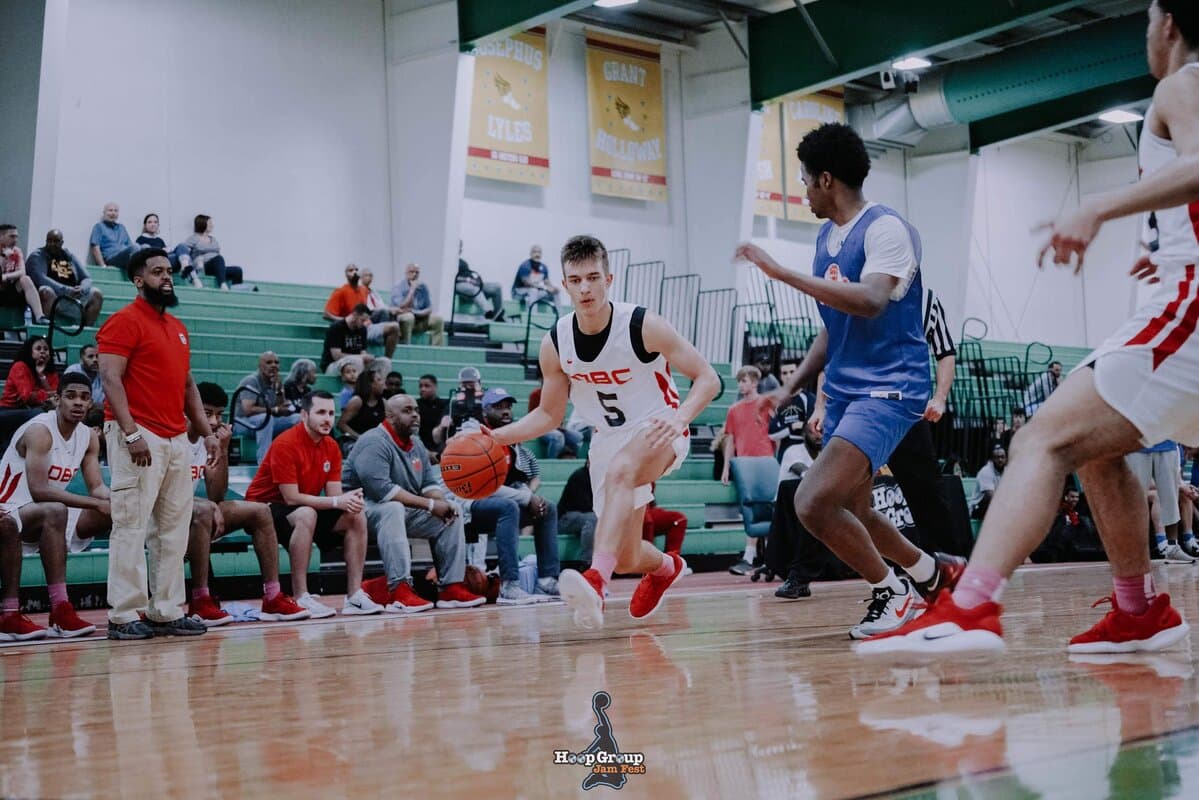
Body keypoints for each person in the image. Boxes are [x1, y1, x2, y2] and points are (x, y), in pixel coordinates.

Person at [859, 1, 1199, 660]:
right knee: (1091, 447)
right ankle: (1139, 611)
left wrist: (1098, 204)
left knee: (1042, 437)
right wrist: (1161, 245)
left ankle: (971, 605)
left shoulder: (1180, 82)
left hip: (1186, 313)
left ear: (1167, 26)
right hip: (1174, 301)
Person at [736, 121, 963, 640]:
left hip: (889, 387)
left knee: (811, 501)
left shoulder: (886, 230)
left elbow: (871, 300)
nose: (802, 190)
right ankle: (934, 575)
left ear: (826, 180)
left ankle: (893, 593)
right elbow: (833, 326)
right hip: (846, 388)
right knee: (853, 507)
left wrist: (782, 273)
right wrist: (790, 388)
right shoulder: (825, 235)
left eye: (804, 180)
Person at [485, 235, 721, 629]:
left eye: (593, 277)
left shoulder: (642, 324)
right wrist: (495, 438)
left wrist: (680, 418)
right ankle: (665, 567)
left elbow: (708, 379)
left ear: (609, 279)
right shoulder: (556, 342)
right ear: (564, 285)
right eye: (575, 280)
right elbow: (548, 415)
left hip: (659, 425)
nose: (585, 287)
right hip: (607, 440)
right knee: (627, 555)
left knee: (623, 470)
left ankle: (595, 582)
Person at [98, 247, 217, 639]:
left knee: (173, 527)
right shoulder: (123, 322)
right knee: (130, 524)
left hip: (175, 436)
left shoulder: (178, 328)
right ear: (138, 280)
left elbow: (187, 385)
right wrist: (131, 433)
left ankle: (165, 610)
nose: (166, 277)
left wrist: (208, 432)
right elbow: (111, 379)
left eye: (169, 271)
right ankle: (123, 615)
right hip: (138, 432)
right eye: (156, 272)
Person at [243, 390, 382, 618]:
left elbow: (334, 495)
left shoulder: (331, 446)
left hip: (299, 509)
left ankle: (355, 596)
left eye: (331, 413)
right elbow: (290, 497)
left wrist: (349, 500)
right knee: (306, 513)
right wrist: (338, 500)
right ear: (304, 415)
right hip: (263, 509)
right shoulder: (286, 443)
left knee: (356, 515)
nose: (327, 419)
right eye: (320, 412)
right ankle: (302, 596)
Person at [184, 383, 311, 625]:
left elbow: (217, 493)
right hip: (166, 514)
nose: (214, 421)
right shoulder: (174, 437)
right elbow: (167, 493)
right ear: (190, 409)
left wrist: (221, 449)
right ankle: (200, 601)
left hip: (195, 511)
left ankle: (273, 597)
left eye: (219, 414)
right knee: (202, 510)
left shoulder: (208, 441)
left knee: (260, 511)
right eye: (208, 412)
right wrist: (207, 505)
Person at [344, 394, 484, 612]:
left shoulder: (416, 444)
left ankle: (451, 588)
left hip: (400, 511)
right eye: (407, 411)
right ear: (390, 416)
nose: (415, 415)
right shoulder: (373, 441)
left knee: (452, 511)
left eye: (416, 410)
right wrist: (429, 505)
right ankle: (399, 590)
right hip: (358, 511)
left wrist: (439, 501)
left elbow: (429, 483)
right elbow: (382, 491)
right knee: (392, 508)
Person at [0, 373, 111, 639]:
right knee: (56, 510)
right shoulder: (40, 431)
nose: (78, 403)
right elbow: (39, 491)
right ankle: (10, 614)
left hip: (44, 515)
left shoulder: (88, 437)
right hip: (8, 508)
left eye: (84, 398)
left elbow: (97, 487)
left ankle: (132, 605)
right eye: (71, 396)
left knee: (119, 514)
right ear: (56, 399)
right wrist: (95, 503)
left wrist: (118, 500)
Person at [478, 387, 561, 604]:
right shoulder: (477, 439)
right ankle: (509, 585)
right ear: (485, 412)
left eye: (508, 407)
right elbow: (484, 486)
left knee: (548, 508)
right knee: (510, 507)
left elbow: (517, 480)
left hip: (499, 501)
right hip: (469, 505)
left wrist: (529, 495)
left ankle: (547, 581)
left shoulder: (511, 441)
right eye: (498, 407)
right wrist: (526, 498)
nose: (506, 411)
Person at [722, 365, 777, 575]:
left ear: (754, 382)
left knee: (769, 508)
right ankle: (751, 555)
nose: (741, 385)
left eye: (744, 381)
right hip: (745, 464)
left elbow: (774, 434)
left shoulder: (765, 404)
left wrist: (775, 461)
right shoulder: (733, 410)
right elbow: (730, 439)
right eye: (740, 381)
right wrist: (727, 465)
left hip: (765, 460)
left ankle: (765, 556)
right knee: (751, 509)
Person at [233, 351, 302, 463]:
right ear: (260, 366)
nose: (274, 365)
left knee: (299, 419)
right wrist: (275, 410)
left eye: (276, 362)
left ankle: (296, 459)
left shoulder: (275, 382)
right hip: (242, 423)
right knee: (266, 418)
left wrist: (279, 390)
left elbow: (280, 407)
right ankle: (264, 463)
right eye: (269, 362)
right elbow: (248, 410)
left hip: (264, 421)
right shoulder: (251, 381)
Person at [26, 229, 104, 326]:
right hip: (55, 296)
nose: (52, 244)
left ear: (62, 242)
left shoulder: (68, 255)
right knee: (45, 290)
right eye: (49, 241)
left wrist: (82, 289)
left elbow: (86, 278)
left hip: (73, 296)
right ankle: (46, 329)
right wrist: (66, 290)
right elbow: (41, 278)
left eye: (55, 241)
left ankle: (85, 330)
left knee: (96, 293)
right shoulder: (37, 255)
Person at [1127, 439, 1187, 561]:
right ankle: (1135, 550)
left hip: (1168, 443)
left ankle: (1172, 547)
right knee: (1135, 500)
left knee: (1171, 497)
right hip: (1136, 444)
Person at [321, 304, 392, 376]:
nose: (364, 323)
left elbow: (362, 351)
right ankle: (359, 386)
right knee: (357, 361)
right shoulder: (336, 328)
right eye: (362, 320)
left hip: (356, 362)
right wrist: (360, 357)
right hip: (333, 365)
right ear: (354, 315)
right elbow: (336, 356)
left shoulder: (362, 329)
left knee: (385, 362)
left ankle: (380, 386)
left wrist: (367, 357)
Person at [0, 224, 50, 325]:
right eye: (12, 236)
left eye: (16, 236)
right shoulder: (5, 253)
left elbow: (22, 271)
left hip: (10, 290)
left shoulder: (17, 251)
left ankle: (40, 316)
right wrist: (4, 257)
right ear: (1, 236)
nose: (15, 240)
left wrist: (5, 276)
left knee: (25, 279)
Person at [183, 214, 243, 290]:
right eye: (210, 223)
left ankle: (237, 293)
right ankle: (222, 284)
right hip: (204, 266)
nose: (212, 225)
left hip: (217, 266)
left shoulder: (213, 239)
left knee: (237, 270)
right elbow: (185, 253)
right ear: (202, 223)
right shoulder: (193, 239)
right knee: (218, 258)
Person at [391, 263, 446, 347]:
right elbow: (402, 306)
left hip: (419, 318)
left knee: (438, 320)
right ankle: (406, 346)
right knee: (409, 317)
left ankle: (436, 350)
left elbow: (429, 308)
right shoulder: (398, 286)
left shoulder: (423, 287)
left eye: (417, 272)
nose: (414, 274)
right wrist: (412, 290)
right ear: (406, 273)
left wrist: (416, 312)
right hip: (403, 319)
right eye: (412, 272)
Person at [0, 336, 58, 411]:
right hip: (9, 409)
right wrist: (50, 394)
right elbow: (29, 398)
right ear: (30, 352)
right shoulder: (20, 367)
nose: (42, 351)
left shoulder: (52, 372)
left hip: (33, 409)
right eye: (38, 349)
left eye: (46, 349)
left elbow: (55, 398)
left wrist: (41, 376)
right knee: (39, 413)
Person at [529, 377, 582, 459]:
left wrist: (560, 427)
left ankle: (571, 458)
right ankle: (552, 461)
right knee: (558, 437)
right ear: (542, 381)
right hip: (540, 428)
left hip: (556, 427)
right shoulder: (535, 395)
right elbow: (533, 418)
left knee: (578, 437)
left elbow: (561, 416)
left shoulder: (559, 395)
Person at [337, 366, 386, 450]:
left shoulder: (383, 402)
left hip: (375, 442)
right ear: (370, 384)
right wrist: (360, 437)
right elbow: (341, 425)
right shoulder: (357, 401)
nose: (383, 383)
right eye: (378, 380)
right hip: (354, 441)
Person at [135, 212, 194, 280]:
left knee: (182, 246)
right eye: (150, 222)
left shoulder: (160, 240)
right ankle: (193, 278)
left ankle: (185, 266)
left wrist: (167, 250)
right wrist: (161, 251)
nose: (153, 224)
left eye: (155, 222)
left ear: (158, 225)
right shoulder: (141, 239)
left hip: (166, 261)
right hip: (154, 263)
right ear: (145, 225)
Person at [456, 240, 505, 320]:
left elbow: (470, 276)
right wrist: (466, 280)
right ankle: (488, 311)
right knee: (474, 288)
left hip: (471, 285)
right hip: (460, 287)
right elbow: (450, 279)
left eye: (461, 247)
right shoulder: (447, 262)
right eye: (458, 247)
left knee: (497, 287)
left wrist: (476, 281)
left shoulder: (463, 263)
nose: (460, 249)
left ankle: (497, 314)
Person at [558, 463, 598, 563]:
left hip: (581, 517)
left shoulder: (601, 478)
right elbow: (584, 506)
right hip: (564, 518)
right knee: (592, 519)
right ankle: (586, 562)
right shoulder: (579, 477)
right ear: (589, 462)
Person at [88, 202, 142, 273]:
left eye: (115, 211)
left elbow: (130, 245)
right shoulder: (99, 227)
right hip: (111, 258)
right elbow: (95, 247)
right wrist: (103, 266)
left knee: (145, 247)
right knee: (136, 247)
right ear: (104, 213)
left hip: (124, 257)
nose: (113, 213)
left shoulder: (121, 228)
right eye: (110, 210)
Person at [416, 374, 451, 458]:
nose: (423, 389)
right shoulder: (416, 405)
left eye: (427, 386)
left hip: (441, 447)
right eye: (420, 386)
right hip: (422, 447)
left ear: (435, 387)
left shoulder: (445, 404)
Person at [447, 366, 485, 437]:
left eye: (471, 385)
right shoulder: (453, 404)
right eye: (464, 385)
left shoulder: (487, 402)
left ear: (479, 384)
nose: (468, 388)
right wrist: (443, 425)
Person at [64, 343, 105, 409]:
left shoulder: (103, 373)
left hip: (97, 413)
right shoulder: (72, 371)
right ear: (81, 359)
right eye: (90, 356)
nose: (95, 360)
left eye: (97, 356)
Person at [971, 446, 1006, 520]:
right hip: (978, 507)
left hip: (995, 504)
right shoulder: (986, 471)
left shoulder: (1006, 471)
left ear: (1006, 459)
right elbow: (990, 496)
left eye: (1002, 457)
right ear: (992, 459)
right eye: (997, 457)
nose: (1000, 460)